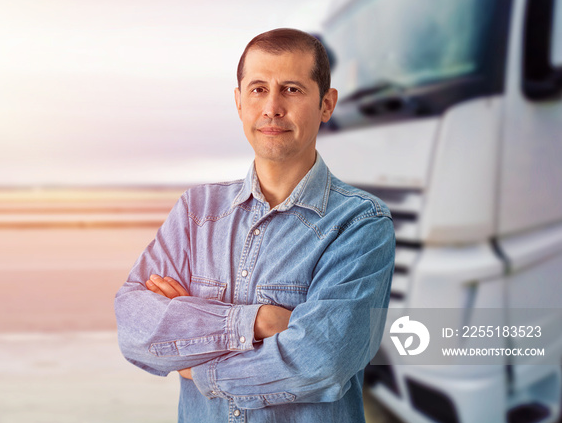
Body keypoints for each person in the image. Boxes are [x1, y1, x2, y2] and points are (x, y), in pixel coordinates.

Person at [114, 28, 395, 422]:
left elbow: (321, 361)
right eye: (258, 89)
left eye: (292, 90)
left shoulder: (360, 224)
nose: (272, 108)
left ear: (326, 104)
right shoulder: (197, 212)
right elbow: (136, 329)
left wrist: (200, 365)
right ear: (239, 101)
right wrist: (259, 321)